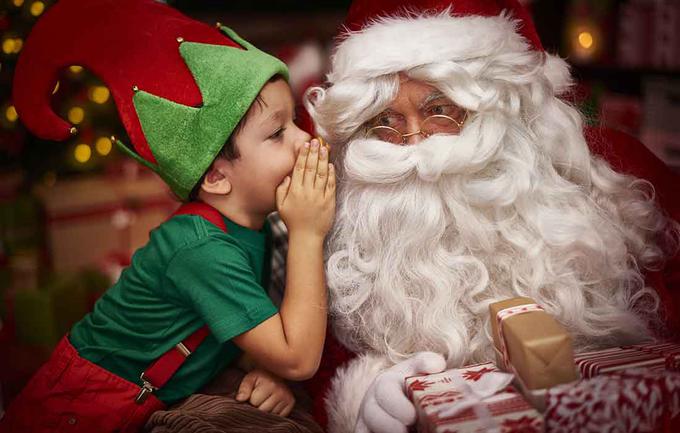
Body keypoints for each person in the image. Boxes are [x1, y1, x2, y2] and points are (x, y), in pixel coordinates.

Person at [301, 0, 680, 432]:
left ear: (501, 105)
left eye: (440, 110)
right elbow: (320, 368)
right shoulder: (342, 215)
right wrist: (359, 395)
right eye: (384, 120)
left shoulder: (621, 175)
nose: (414, 144)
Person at [0, 0, 335, 432]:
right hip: (79, 411)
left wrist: (267, 369)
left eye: (294, 122)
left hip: (160, 390)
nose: (304, 140)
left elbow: (248, 331)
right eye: (277, 133)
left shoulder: (255, 223)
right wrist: (308, 232)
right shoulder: (200, 249)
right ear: (216, 177)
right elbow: (299, 356)